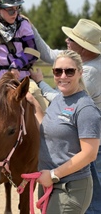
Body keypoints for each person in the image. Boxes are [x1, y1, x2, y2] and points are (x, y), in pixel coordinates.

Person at [31, 19, 101, 214]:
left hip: (68, 186)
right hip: (53, 183)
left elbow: (89, 154)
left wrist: (53, 174)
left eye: (69, 71)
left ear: (80, 72)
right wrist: (35, 106)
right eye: (57, 71)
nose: (63, 75)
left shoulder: (84, 105)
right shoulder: (63, 99)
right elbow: (50, 126)